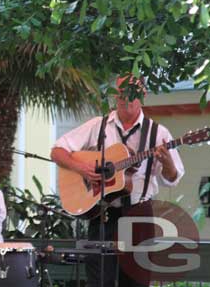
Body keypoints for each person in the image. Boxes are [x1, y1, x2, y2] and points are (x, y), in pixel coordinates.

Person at [51, 75, 185, 287]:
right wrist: (83, 169)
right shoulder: (99, 125)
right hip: (103, 214)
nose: (126, 98)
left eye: (132, 93)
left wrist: (167, 162)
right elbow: (57, 151)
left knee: (136, 281)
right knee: (98, 281)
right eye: (121, 92)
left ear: (143, 95)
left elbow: (173, 178)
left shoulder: (158, 133)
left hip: (139, 214)